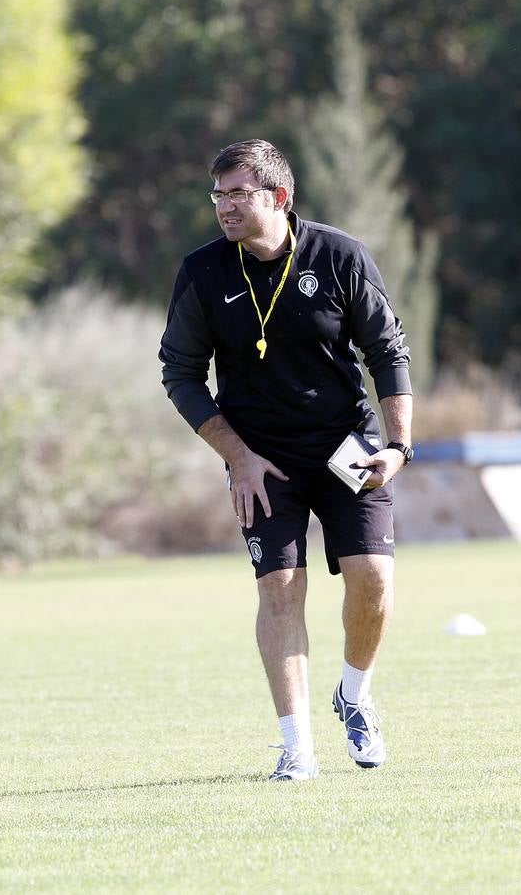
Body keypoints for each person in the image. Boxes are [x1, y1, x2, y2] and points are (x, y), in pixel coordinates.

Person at [159, 139, 413, 781]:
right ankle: (296, 746)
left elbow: (388, 353)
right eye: (218, 196)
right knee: (279, 587)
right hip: (260, 457)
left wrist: (397, 445)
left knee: (374, 578)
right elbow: (181, 374)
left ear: (279, 196)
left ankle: (354, 695)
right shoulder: (203, 271)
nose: (224, 207)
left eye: (238, 194)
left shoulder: (341, 256)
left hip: (346, 446)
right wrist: (237, 457)